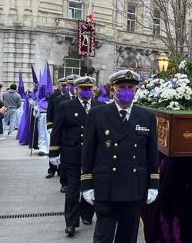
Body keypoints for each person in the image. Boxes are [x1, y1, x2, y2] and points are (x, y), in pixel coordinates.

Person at [81, 70, 159, 243]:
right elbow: (88, 151)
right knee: (103, 236)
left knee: (128, 236)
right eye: (121, 87)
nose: (126, 91)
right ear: (112, 90)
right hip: (106, 186)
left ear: (136, 90)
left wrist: (153, 183)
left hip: (134, 186)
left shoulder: (147, 116)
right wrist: (86, 183)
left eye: (130, 87)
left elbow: (152, 153)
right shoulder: (97, 114)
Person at [50, 76, 102, 237]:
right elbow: (57, 129)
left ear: (93, 90)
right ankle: (71, 223)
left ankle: (86, 214)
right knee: (73, 189)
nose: (86, 92)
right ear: (76, 89)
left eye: (89, 89)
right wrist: (54, 152)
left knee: (92, 186)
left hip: (93, 156)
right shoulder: (65, 106)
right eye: (83, 89)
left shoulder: (100, 106)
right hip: (72, 153)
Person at [46, 77, 68, 179]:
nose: (64, 87)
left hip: (67, 128)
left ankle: (61, 170)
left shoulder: (71, 97)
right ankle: (52, 169)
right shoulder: (54, 96)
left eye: (65, 85)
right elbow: (50, 111)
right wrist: (50, 125)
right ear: (59, 85)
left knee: (64, 151)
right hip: (56, 126)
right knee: (54, 148)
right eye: (62, 85)